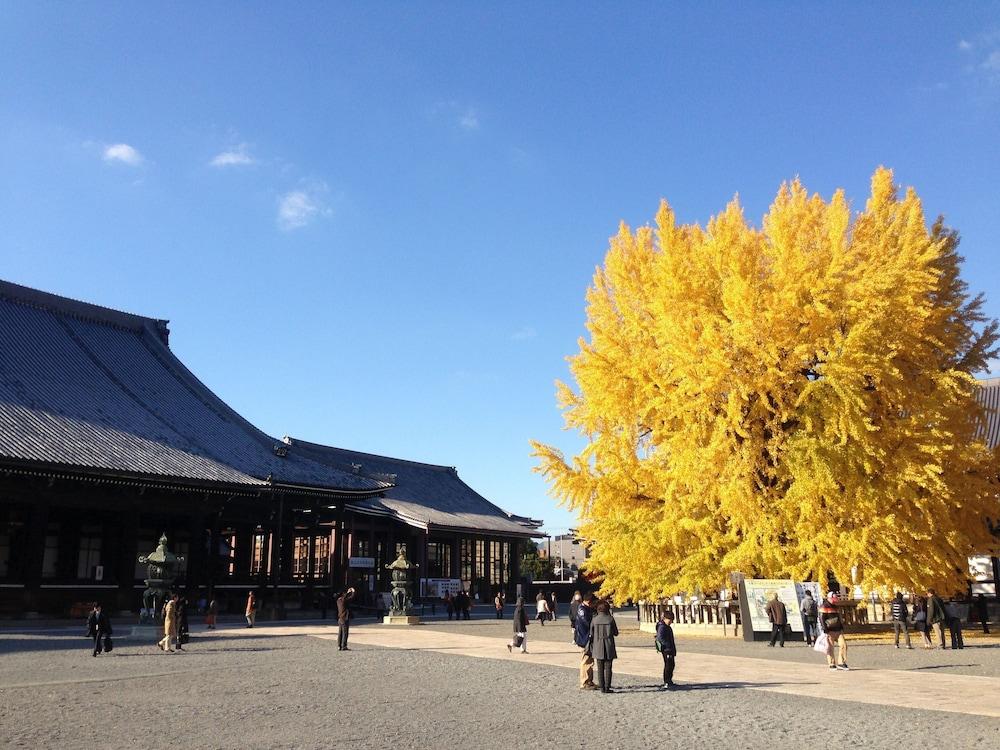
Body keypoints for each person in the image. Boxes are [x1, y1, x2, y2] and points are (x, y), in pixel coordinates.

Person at [588, 600, 619, 694]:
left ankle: (602, 687)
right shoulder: (610, 619)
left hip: (598, 645)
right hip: (609, 644)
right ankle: (607, 687)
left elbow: (591, 633)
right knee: (608, 667)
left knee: (600, 667)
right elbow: (616, 633)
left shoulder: (594, 619)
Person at [818, 591, 847, 670]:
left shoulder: (836, 607)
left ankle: (841, 662)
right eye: (833, 598)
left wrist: (841, 627)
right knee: (830, 647)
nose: (835, 600)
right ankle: (831, 663)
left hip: (838, 629)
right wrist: (825, 629)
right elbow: (821, 618)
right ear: (829, 598)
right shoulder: (824, 606)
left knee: (843, 645)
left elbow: (839, 617)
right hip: (829, 630)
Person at [574, 593, 597, 690]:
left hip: (587, 638)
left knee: (590, 660)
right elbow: (587, 623)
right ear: (589, 602)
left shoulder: (585, 609)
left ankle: (589, 680)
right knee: (585, 660)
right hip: (584, 639)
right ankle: (584, 682)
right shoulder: (582, 610)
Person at [655, 610, 677, 688]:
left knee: (671, 665)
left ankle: (669, 680)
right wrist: (668, 645)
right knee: (668, 665)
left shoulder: (666, 626)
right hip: (666, 649)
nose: (671, 622)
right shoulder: (662, 626)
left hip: (669, 649)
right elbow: (660, 637)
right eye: (670, 620)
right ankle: (667, 681)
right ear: (665, 619)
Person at [337, 587, 356, 651]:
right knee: (345, 633)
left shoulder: (338, 600)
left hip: (340, 618)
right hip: (344, 618)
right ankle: (344, 646)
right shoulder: (343, 600)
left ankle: (339, 645)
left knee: (340, 633)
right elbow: (351, 597)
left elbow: (345, 597)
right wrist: (352, 592)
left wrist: (348, 593)